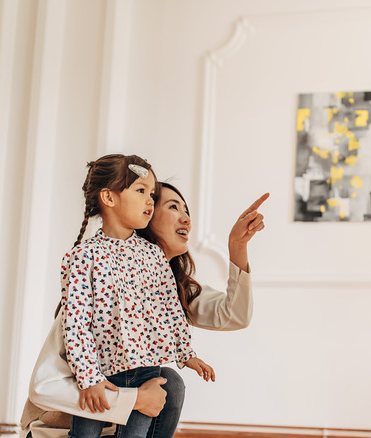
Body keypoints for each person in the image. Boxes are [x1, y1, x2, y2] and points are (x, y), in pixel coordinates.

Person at [21, 179, 268, 438]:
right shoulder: (100, 286)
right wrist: (135, 399)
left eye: (187, 212)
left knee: (168, 381)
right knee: (165, 382)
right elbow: (44, 388)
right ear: (146, 214)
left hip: (113, 427)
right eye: (174, 207)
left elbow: (234, 316)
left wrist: (237, 247)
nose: (186, 219)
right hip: (54, 431)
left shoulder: (171, 288)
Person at [58, 155, 216, 438]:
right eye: (141, 191)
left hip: (147, 372)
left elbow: (170, 309)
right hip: (100, 375)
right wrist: (88, 378)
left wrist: (186, 353)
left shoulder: (153, 255)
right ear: (108, 197)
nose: (150, 201)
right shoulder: (83, 257)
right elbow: (76, 324)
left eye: (152, 194)